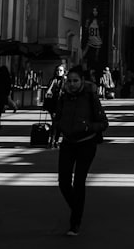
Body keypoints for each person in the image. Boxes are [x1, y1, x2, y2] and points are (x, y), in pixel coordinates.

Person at [52, 65, 108, 236]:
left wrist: (88, 126)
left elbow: (103, 123)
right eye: (69, 81)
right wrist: (56, 131)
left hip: (86, 143)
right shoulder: (64, 97)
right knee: (63, 181)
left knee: (79, 182)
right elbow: (59, 117)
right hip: (68, 142)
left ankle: (75, 222)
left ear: (82, 81)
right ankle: (77, 208)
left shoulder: (90, 97)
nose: (72, 84)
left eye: (75, 81)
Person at [43, 64, 67, 146]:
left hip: (62, 105)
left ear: (64, 72)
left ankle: (55, 140)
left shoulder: (66, 81)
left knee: (59, 123)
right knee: (55, 122)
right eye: (57, 70)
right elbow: (48, 92)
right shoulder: (53, 80)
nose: (58, 72)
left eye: (60, 70)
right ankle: (53, 141)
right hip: (53, 105)